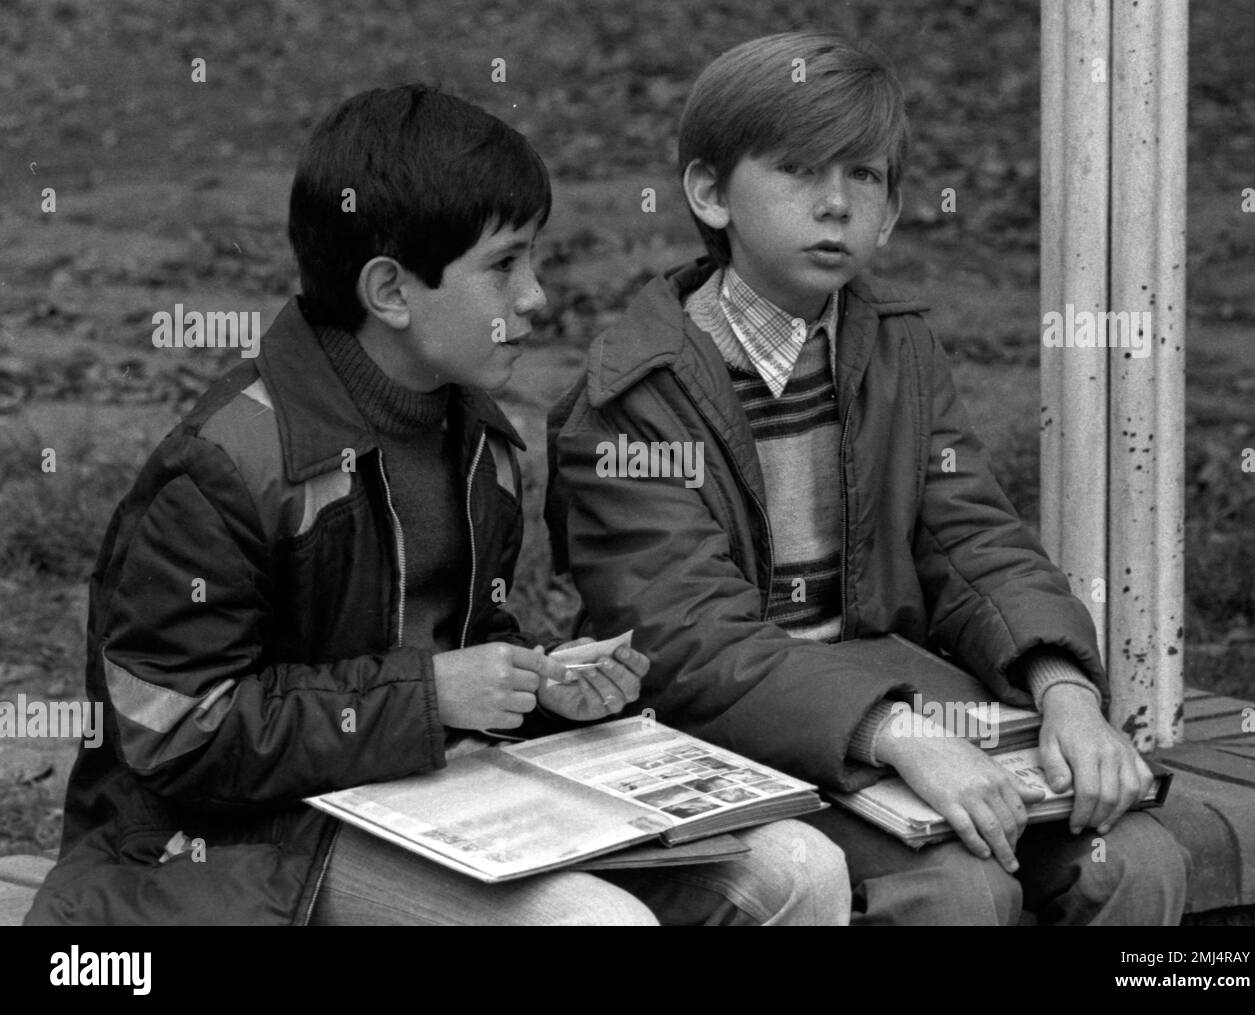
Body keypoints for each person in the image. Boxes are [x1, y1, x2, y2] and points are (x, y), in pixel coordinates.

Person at [24, 83, 849, 927]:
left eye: (534, 258)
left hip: (435, 795)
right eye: (503, 265)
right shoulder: (230, 465)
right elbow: (173, 732)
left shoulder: (477, 439)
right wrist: (428, 694)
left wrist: (539, 686)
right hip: (240, 846)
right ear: (391, 291)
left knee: (800, 868)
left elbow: (451, 644)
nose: (536, 297)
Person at [546, 32, 1189, 925]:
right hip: (728, 734)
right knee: (958, 891)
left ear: (891, 211)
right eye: (800, 171)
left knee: (1139, 861)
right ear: (708, 192)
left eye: (867, 177)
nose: (837, 205)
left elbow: (973, 540)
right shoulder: (633, 394)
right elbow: (685, 636)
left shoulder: (898, 348)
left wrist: (1066, 691)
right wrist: (895, 732)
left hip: (906, 706)